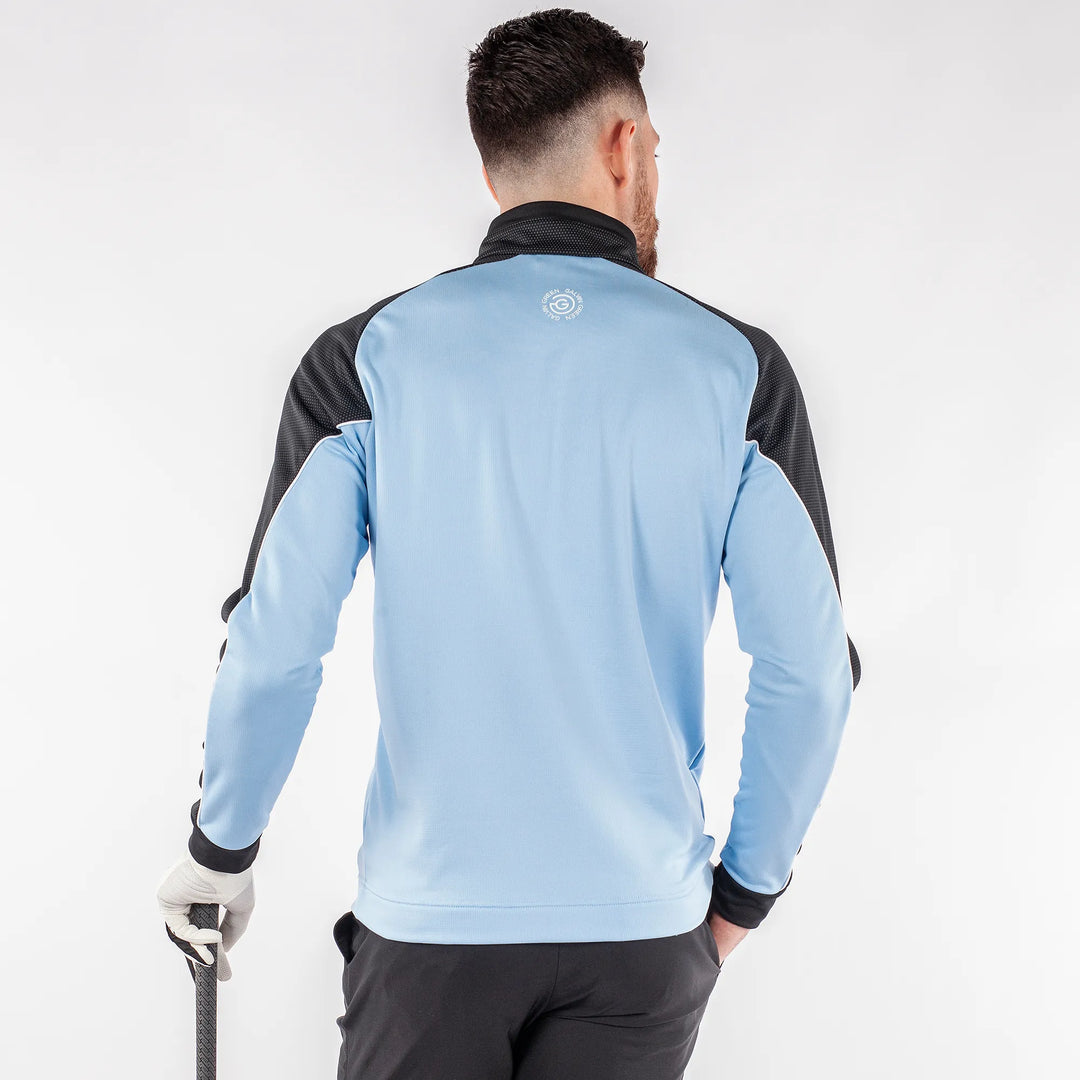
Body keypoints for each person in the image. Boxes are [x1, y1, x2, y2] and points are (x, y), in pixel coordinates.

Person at [157, 8, 861, 1078]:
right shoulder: (739, 372)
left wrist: (221, 852)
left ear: (493, 174)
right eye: (656, 153)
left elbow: (276, 646)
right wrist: (740, 899)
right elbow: (810, 672)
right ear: (626, 147)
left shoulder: (365, 361)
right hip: (645, 928)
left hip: (430, 927)